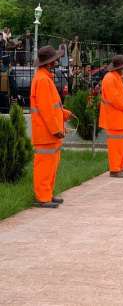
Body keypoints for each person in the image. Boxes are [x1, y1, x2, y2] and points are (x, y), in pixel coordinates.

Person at [30, 46, 74, 208]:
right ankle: (42, 197)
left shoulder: (44, 78)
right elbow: (46, 110)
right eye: (55, 59)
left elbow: (52, 107)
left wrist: (64, 113)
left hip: (49, 131)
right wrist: (56, 129)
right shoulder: (42, 80)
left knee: (51, 165)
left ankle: (47, 193)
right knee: (44, 166)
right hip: (47, 132)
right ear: (49, 63)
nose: (57, 61)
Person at [99, 55, 123, 178]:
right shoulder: (110, 78)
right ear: (120, 67)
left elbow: (119, 97)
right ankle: (115, 169)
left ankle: (120, 168)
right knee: (116, 146)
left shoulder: (116, 77)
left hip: (119, 117)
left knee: (122, 144)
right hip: (114, 118)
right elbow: (115, 99)